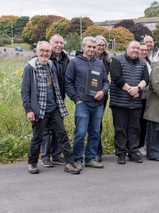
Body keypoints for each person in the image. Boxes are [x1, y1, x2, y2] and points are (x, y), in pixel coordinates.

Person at [21, 41, 80, 175]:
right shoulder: (30, 68)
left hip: (54, 108)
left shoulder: (51, 65)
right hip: (39, 110)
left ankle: (70, 163)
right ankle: (32, 162)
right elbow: (25, 92)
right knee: (38, 138)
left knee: (62, 135)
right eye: (42, 50)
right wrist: (28, 110)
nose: (44, 53)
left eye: (47, 51)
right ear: (37, 51)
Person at [65, 37, 109, 170]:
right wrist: (76, 99)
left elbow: (106, 82)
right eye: (89, 47)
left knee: (95, 132)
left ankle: (90, 158)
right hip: (83, 103)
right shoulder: (74, 63)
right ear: (83, 47)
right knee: (80, 132)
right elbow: (68, 83)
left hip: (98, 104)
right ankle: (78, 159)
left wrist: (103, 91)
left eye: (93, 47)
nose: (91, 49)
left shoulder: (100, 64)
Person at [109, 41, 149, 164]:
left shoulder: (143, 63)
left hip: (136, 103)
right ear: (127, 48)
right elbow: (116, 77)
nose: (136, 50)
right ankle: (121, 153)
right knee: (120, 128)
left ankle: (133, 152)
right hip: (119, 102)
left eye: (138, 48)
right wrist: (130, 90)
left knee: (134, 128)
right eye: (133, 48)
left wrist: (137, 89)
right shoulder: (117, 60)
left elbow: (146, 79)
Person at [40, 34, 69, 167]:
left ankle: (56, 155)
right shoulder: (43, 58)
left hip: (59, 99)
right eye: (56, 42)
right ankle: (45, 157)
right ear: (50, 44)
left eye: (61, 43)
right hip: (44, 101)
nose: (59, 45)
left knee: (59, 129)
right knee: (45, 130)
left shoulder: (65, 59)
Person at [94, 35, 111, 162]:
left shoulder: (107, 60)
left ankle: (97, 151)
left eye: (103, 45)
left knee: (97, 123)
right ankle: (91, 150)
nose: (101, 47)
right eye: (98, 45)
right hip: (88, 95)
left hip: (102, 95)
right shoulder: (87, 58)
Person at [138, 43, 152, 157]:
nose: (143, 52)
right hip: (137, 96)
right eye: (141, 49)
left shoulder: (148, 63)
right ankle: (134, 145)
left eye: (145, 50)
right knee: (136, 123)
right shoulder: (136, 62)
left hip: (147, 97)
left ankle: (141, 145)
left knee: (143, 123)